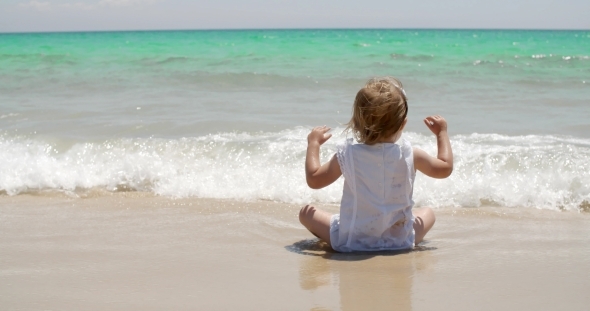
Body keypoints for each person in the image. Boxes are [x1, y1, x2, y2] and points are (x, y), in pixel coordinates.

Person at [299, 77, 453, 252]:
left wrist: (313, 144)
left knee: (306, 213)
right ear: (403, 123)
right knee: (428, 213)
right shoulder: (411, 154)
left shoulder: (348, 154)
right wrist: (442, 133)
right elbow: (445, 167)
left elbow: (314, 179)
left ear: (357, 122)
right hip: (400, 241)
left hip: (353, 241)